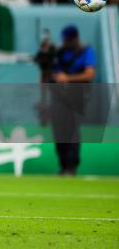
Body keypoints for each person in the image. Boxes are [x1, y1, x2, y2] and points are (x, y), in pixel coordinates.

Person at [50, 25, 96, 175]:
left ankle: (72, 166)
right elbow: (50, 73)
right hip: (59, 96)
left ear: (75, 38)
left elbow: (89, 74)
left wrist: (67, 78)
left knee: (72, 129)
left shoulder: (85, 51)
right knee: (59, 131)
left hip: (77, 95)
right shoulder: (59, 52)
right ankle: (63, 165)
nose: (65, 43)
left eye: (68, 40)